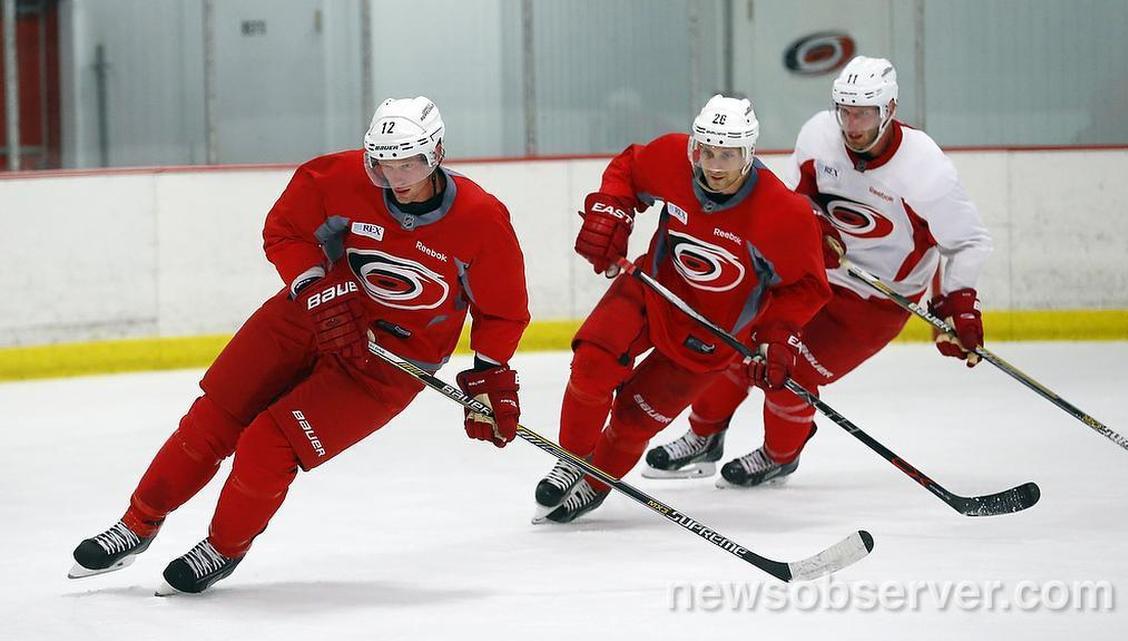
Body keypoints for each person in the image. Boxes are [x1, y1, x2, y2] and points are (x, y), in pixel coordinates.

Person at [68, 96, 530, 594]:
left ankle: (222, 548)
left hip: (389, 361)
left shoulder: (481, 219)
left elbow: (501, 308)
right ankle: (136, 524)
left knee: (270, 441)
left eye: (410, 163)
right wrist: (315, 290)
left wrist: (489, 374)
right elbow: (286, 231)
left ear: (437, 153)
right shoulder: (336, 178)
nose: (396, 177)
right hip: (308, 315)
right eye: (383, 164)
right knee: (214, 416)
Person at [645, 56, 993, 487]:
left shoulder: (925, 167)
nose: (852, 123)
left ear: (889, 109)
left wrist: (957, 302)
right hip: (812, 278)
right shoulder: (819, 134)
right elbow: (791, 202)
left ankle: (779, 455)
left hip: (877, 298)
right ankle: (704, 436)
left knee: (794, 371)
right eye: (845, 110)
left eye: (864, 112)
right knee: (739, 344)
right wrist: (814, 229)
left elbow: (967, 241)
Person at [532, 94, 832, 523]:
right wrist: (611, 210)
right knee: (591, 362)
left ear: (749, 154)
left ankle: (596, 483)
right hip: (651, 290)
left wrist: (777, 336)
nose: (714, 165)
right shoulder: (674, 159)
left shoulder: (783, 212)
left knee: (634, 417)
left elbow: (804, 288)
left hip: (712, 333)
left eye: (728, 155)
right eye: (707, 151)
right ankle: (573, 459)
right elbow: (629, 168)